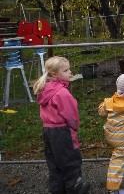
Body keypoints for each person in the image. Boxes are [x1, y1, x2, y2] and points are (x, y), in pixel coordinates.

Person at [33, 56, 90, 194]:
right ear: (54, 74)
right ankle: (75, 188)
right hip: (62, 132)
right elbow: (71, 116)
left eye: (69, 69)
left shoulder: (45, 90)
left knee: (54, 164)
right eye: (66, 70)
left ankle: (57, 189)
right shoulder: (62, 93)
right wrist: (74, 127)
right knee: (70, 162)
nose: (70, 72)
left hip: (48, 131)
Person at [98, 73, 124, 194]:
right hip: (123, 139)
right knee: (118, 160)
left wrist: (103, 106)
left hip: (109, 133)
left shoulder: (110, 101)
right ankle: (113, 188)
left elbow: (101, 113)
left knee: (119, 150)